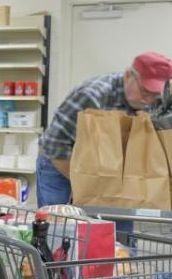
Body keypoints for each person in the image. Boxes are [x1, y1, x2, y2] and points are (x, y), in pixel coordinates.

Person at [37, 52, 172, 207]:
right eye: (144, 91)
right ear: (128, 75)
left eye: (154, 94)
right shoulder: (92, 95)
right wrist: (86, 185)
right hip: (60, 163)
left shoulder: (156, 101)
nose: (148, 100)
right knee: (61, 224)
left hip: (112, 168)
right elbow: (56, 146)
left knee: (118, 226)